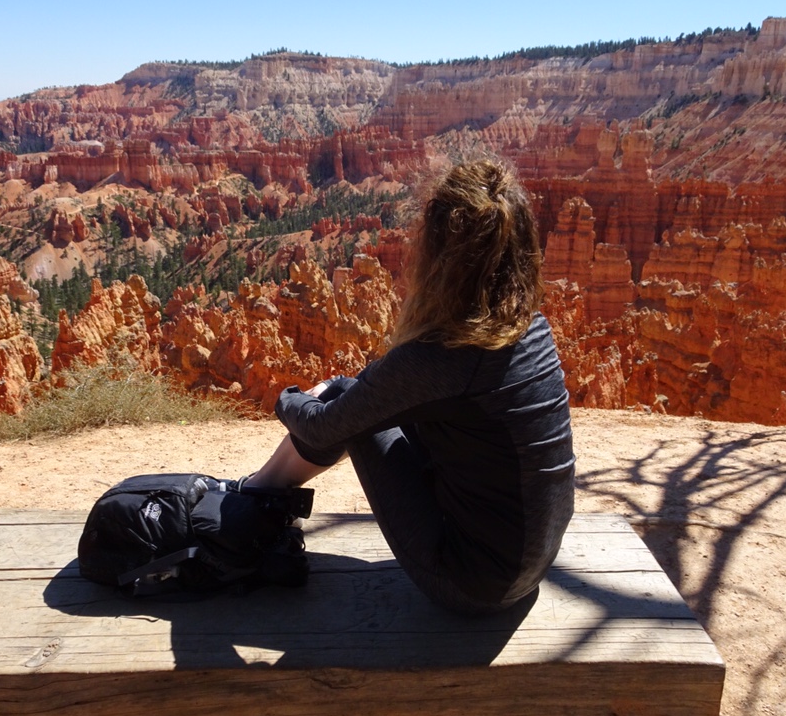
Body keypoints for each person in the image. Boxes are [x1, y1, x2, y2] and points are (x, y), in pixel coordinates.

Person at [243, 159, 575, 614]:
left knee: (342, 401)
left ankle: (253, 501)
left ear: (439, 253)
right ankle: (258, 493)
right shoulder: (529, 325)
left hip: (473, 584)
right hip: (532, 560)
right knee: (356, 396)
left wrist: (286, 398)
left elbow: (325, 429)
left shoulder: (444, 354)